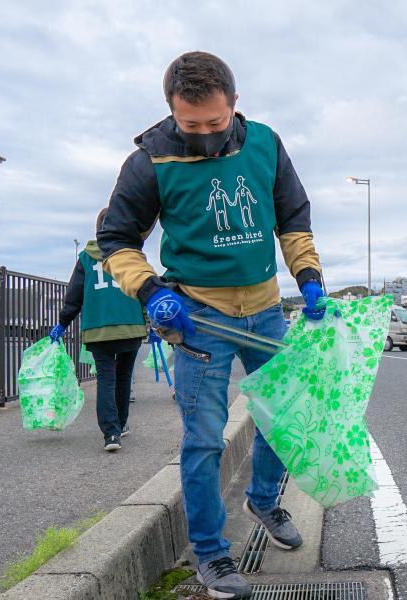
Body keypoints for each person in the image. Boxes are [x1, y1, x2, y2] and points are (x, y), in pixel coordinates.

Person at [97, 51, 325, 599]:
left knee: (285, 414)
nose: (202, 135)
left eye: (215, 124)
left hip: (267, 307)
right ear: (171, 110)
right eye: (189, 124)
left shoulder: (266, 144)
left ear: (235, 104)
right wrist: (151, 293)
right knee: (203, 440)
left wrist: (310, 275)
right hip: (198, 315)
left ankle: (264, 500)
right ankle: (212, 556)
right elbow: (117, 241)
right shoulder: (149, 162)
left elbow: (292, 219)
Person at [50, 208, 147, 452]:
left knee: (106, 378)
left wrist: (62, 323)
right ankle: (121, 425)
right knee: (124, 376)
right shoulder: (133, 254)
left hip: (98, 329)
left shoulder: (85, 257)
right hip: (130, 326)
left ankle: (111, 434)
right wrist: (151, 323)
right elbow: (144, 289)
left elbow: (74, 296)